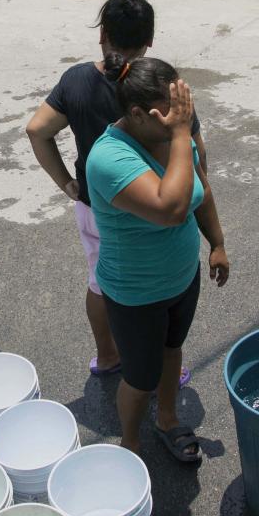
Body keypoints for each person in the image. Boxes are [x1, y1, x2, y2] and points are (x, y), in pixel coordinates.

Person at [26, 0, 206, 378]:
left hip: (98, 207)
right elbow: (195, 153)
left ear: (102, 33)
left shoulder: (75, 81)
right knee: (161, 286)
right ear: (150, 41)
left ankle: (108, 356)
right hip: (164, 200)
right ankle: (166, 361)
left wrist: (67, 183)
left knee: (101, 284)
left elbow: (37, 130)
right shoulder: (161, 88)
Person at [85, 58, 228, 463]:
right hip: (136, 292)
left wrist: (216, 243)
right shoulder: (108, 159)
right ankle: (130, 445)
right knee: (140, 377)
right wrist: (182, 132)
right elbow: (171, 208)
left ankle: (167, 420)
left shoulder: (170, 135)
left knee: (172, 350)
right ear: (134, 113)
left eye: (180, 111)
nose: (177, 120)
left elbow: (201, 187)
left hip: (183, 277)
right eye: (167, 115)